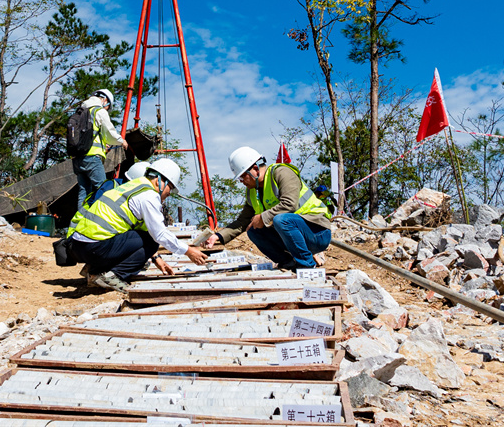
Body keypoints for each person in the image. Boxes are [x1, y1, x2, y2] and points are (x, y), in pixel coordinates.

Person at [68, 158, 209, 292]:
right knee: (152, 241)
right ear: (160, 181)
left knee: (144, 238)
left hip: (77, 247)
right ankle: (111, 276)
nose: (169, 193)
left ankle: (93, 269)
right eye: (170, 188)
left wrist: (156, 258)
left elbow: (140, 231)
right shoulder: (149, 196)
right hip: (94, 248)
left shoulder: (133, 185)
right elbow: (158, 234)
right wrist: (188, 251)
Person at [204, 146, 332, 269]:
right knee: (254, 230)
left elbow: (290, 203)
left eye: (243, 176)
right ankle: (288, 263)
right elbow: (242, 221)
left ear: (255, 168)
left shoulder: (281, 173)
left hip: (317, 233)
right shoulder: (252, 191)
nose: (242, 181)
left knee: (281, 220)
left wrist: (263, 217)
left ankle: (307, 265)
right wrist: (218, 236)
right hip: (292, 238)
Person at [73, 89, 128, 210]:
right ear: (105, 101)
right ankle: (102, 223)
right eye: (108, 107)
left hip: (77, 159)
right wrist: (121, 141)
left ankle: (79, 224)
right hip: (92, 158)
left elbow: (91, 135)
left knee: (84, 193)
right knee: (105, 190)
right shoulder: (99, 111)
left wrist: (103, 145)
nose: (107, 109)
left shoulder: (80, 111)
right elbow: (110, 133)